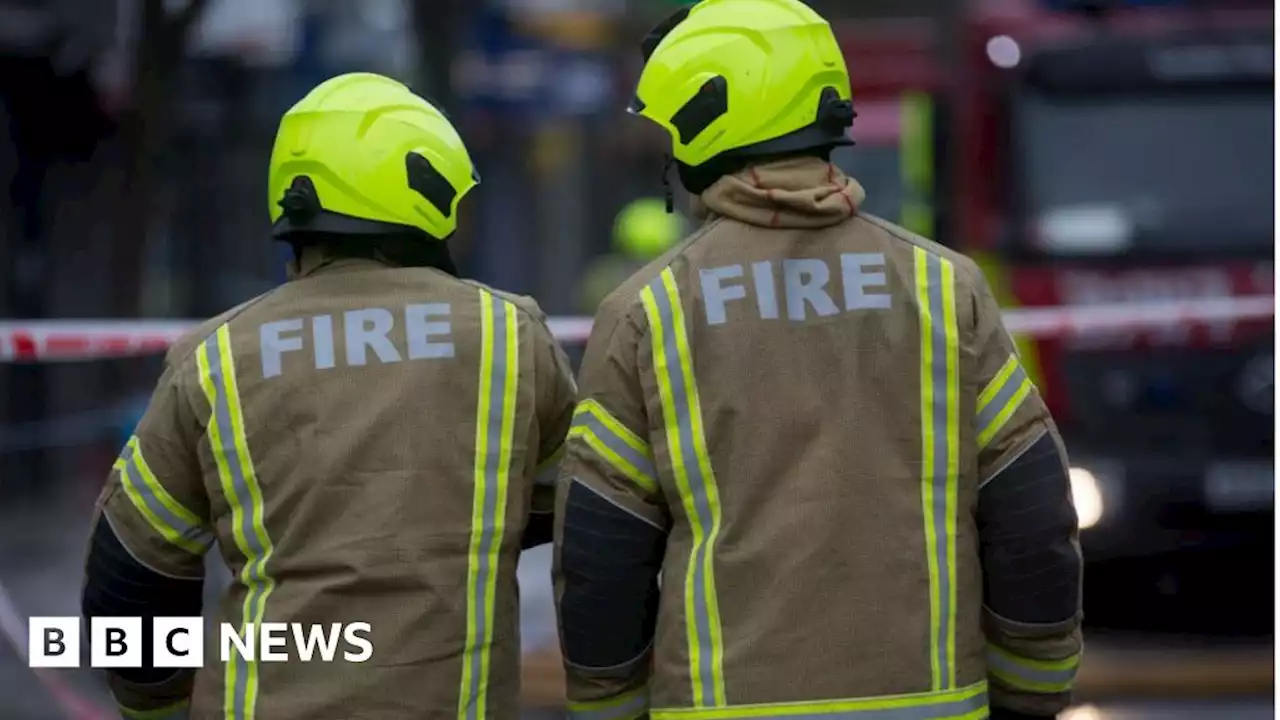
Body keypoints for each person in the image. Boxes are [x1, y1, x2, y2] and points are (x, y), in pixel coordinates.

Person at [552, 2, 1083, 720]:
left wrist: (607, 707)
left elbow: (602, 547)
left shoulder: (650, 312)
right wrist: (1032, 691)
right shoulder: (942, 288)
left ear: (709, 125)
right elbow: (1031, 511)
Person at [81, 72, 577, 720]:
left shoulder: (216, 359)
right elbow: (579, 520)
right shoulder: (509, 338)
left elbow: (129, 573)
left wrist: (156, 710)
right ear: (424, 191)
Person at [578, 197, 685, 314]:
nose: (644, 270)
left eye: (654, 259)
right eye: (636, 261)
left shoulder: (691, 281)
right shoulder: (601, 284)